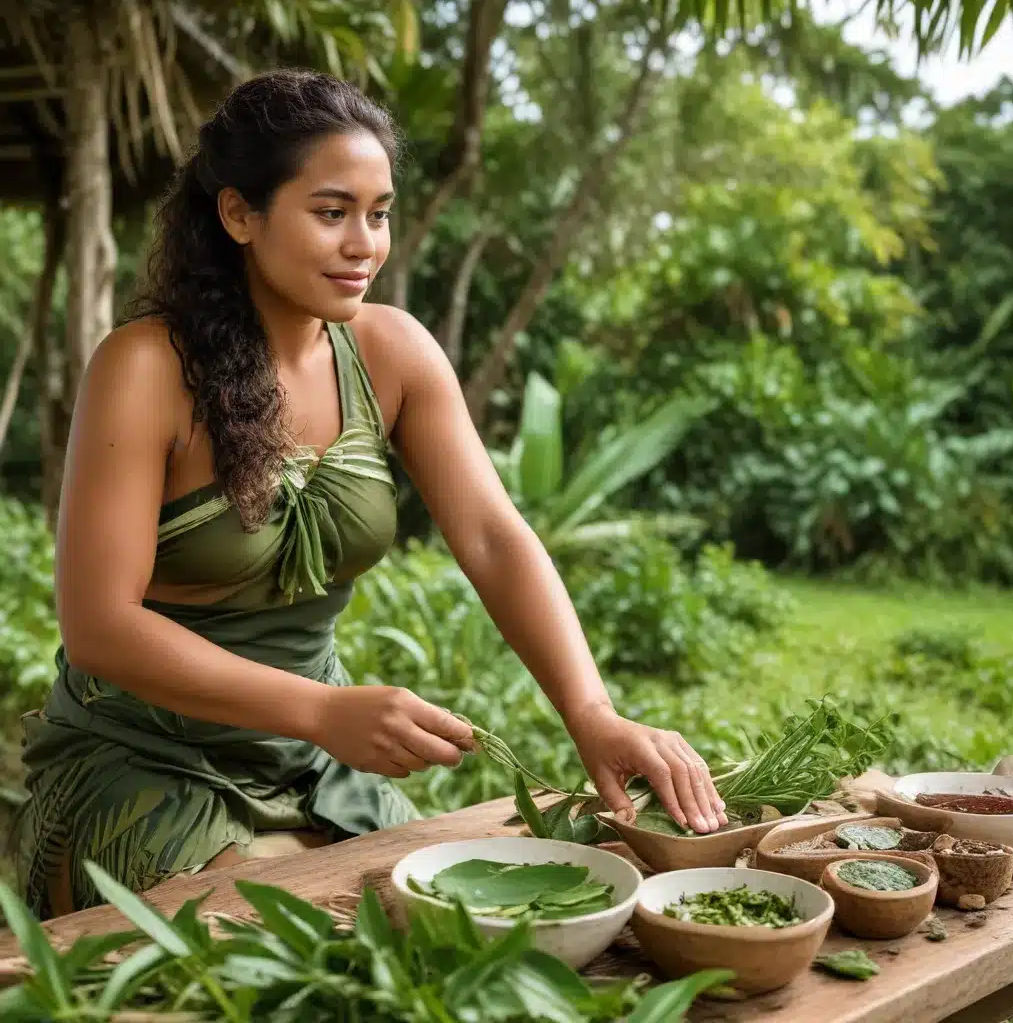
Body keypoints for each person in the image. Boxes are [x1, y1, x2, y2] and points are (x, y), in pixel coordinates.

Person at [14, 68, 726, 920]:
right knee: (273, 953)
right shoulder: (145, 367)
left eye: (379, 213)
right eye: (331, 212)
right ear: (240, 214)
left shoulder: (391, 353)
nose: (365, 244)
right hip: (141, 759)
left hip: (318, 761)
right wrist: (319, 710)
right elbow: (99, 628)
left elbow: (495, 538)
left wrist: (592, 712)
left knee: (444, 925)